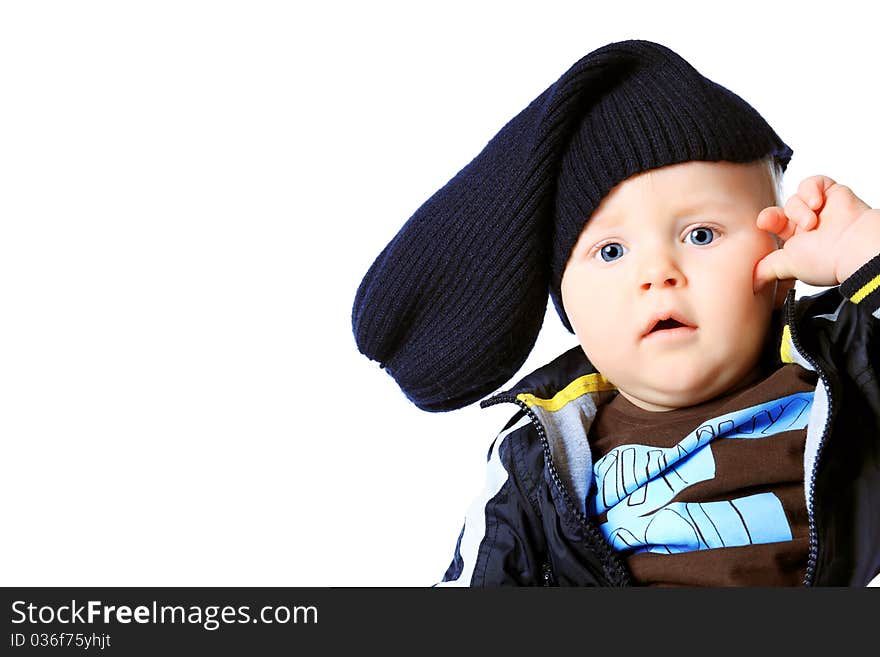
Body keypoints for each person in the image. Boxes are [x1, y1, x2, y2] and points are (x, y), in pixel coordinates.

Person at [351, 39, 880, 586]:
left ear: (779, 269)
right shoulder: (538, 454)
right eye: (611, 252)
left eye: (701, 235)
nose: (658, 273)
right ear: (567, 305)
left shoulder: (844, 366)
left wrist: (864, 249)